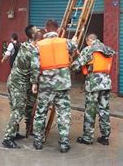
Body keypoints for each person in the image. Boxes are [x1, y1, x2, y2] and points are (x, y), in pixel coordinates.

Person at [32, 19, 77, 153]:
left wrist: (34, 82)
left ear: (45, 30)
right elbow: (74, 46)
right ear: (57, 30)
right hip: (62, 85)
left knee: (40, 113)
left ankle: (38, 142)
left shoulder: (38, 45)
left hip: (45, 85)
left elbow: (35, 66)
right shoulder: (65, 42)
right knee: (63, 113)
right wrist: (74, 40)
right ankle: (63, 143)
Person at [71, 33, 116, 146]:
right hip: (106, 83)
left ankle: (87, 137)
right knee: (104, 110)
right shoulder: (107, 48)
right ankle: (105, 137)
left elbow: (76, 65)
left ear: (88, 41)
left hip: (93, 84)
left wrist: (73, 64)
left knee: (90, 111)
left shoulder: (89, 49)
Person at [2, 25, 40, 149]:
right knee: (18, 110)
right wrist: (35, 83)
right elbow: (35, 68)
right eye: (37, 30)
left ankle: (15, 133)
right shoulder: (32, 50)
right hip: (18, 84)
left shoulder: (25, 45)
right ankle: (8, 138)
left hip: (13, 81)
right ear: (34, 36)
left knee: (17, 108)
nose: (40, 31)